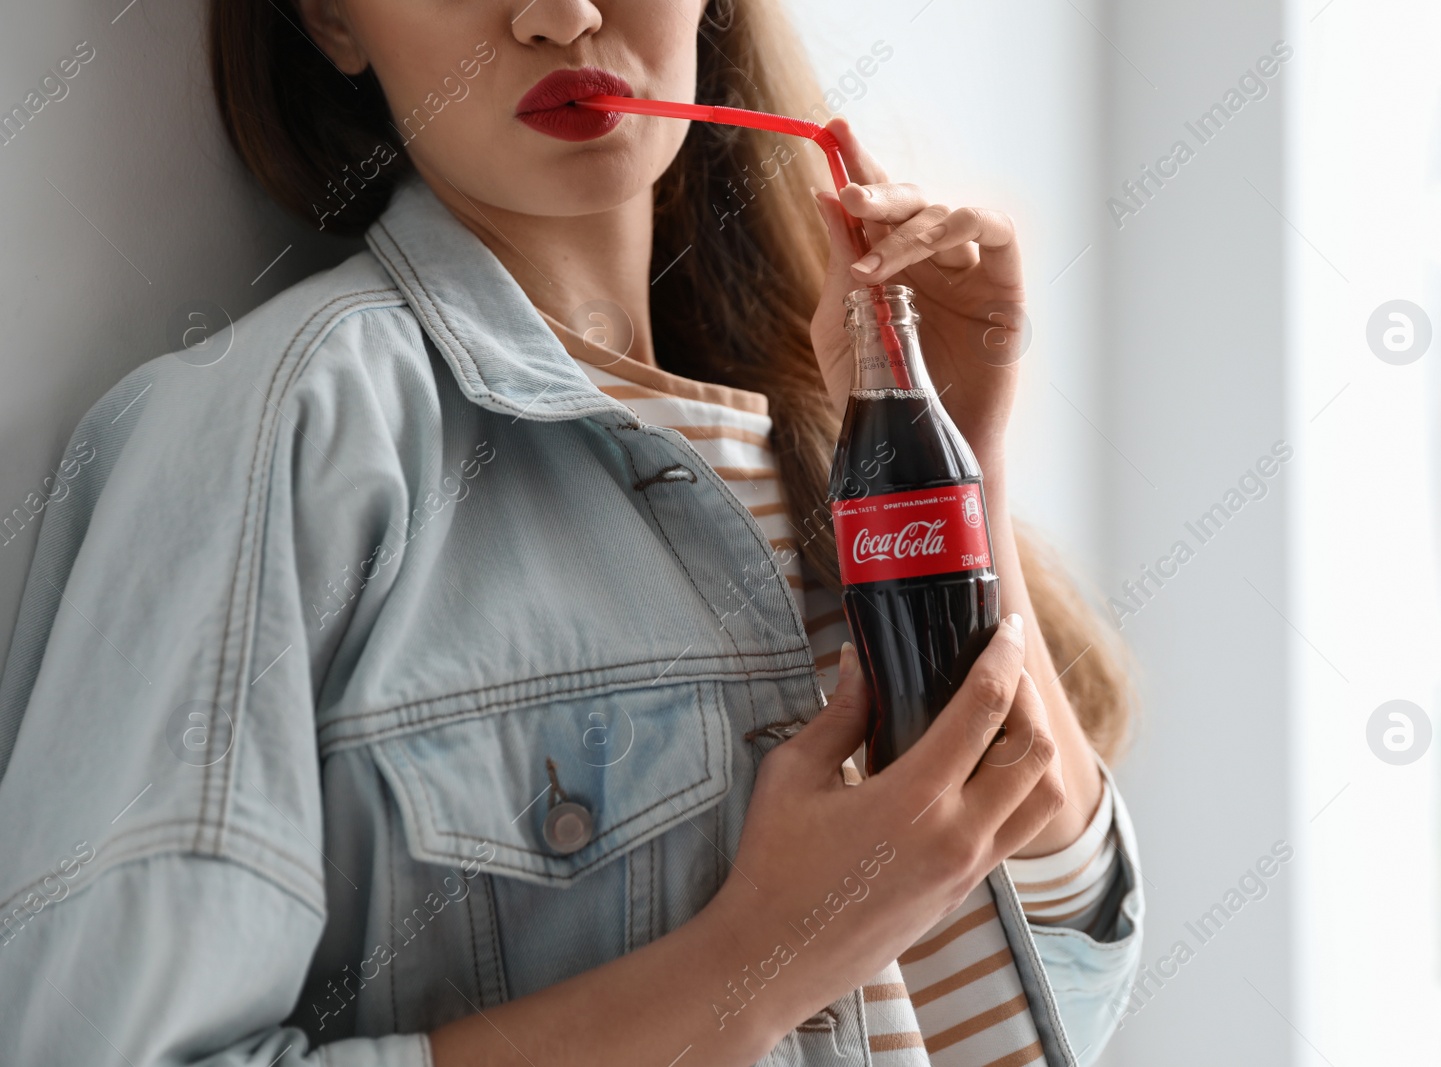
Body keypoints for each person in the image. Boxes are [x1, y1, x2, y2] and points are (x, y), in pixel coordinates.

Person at [0, 1, 1144, 1064]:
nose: (561, 14)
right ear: (332, 20)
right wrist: (754, 962)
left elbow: (1033, 995)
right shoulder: (283, 432)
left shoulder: (819, 442)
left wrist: (953, 464)